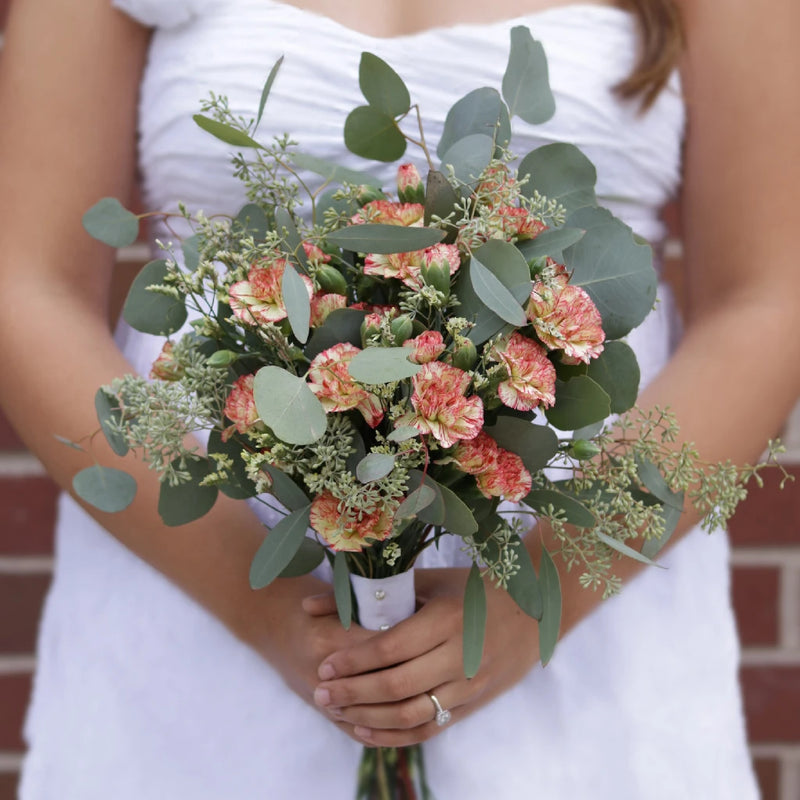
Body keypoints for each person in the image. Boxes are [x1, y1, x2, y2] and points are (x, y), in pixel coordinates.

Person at [1, 0, 798, 797]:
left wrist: (530, 604)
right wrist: (269, 610)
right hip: (198, 600)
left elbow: (767, 300)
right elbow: (24, 287)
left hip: (585, 621)